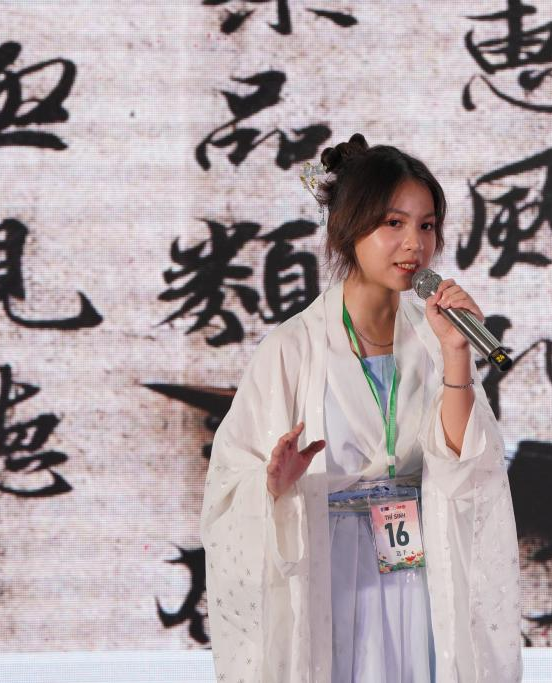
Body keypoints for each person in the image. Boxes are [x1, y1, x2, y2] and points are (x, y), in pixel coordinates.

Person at [201, 134, 521, 683]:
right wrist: (271, 484)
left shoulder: (432, 339)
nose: (414, 244)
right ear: (348, 230)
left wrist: (456, 352)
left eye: (426, 226)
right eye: (394, 223)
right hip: (334, 580)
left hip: (421, 578)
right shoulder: (292, 349)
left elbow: (465, 468)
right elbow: (230, 484)